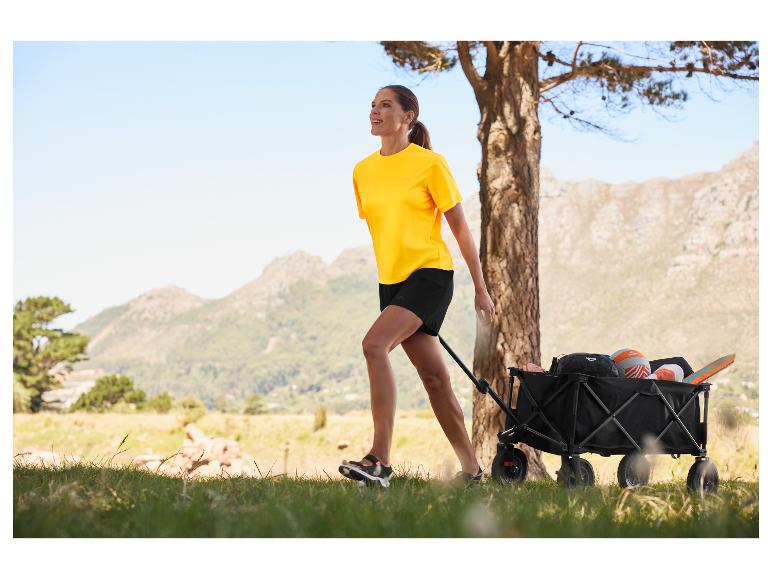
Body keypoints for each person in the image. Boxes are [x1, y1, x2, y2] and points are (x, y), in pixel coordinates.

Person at [338, 84, 496, 488]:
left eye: (385, 105)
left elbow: (459, 227)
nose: (375, 111)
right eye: (372, 105)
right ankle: (473, 471)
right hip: (390, 283)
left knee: (374, 345)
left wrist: (480, 288)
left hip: (430, 276)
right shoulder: (362, 171)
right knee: (436, 381)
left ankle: (379, 460)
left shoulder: (430, 164)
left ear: (408, 116)